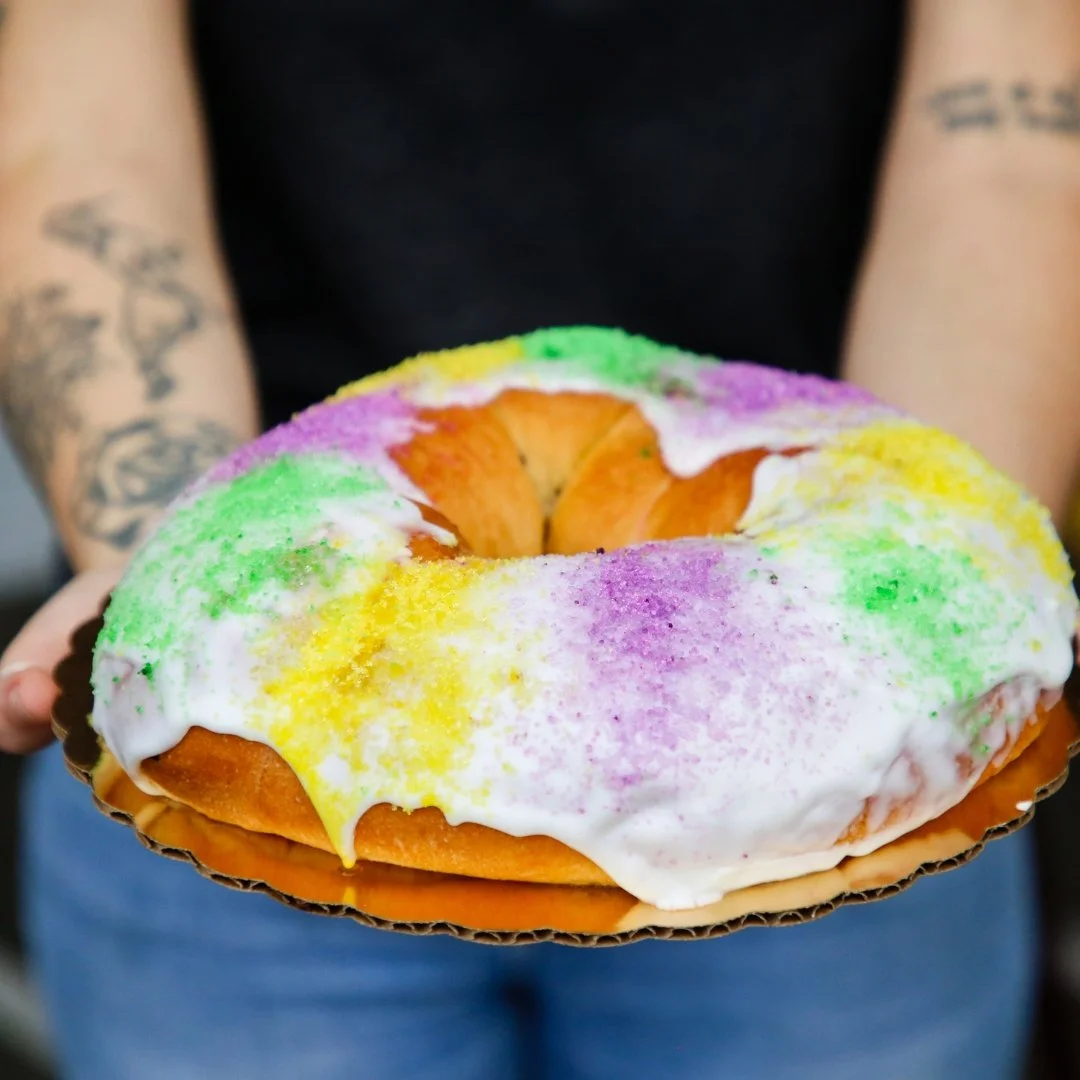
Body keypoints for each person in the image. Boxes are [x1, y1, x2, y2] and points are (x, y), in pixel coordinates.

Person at [1, 1, 1079, 1077]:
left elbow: (1009, 134)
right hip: (250, 731)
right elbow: (84, 129)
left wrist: (953, 584)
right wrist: (162, 559)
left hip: (840, 754)